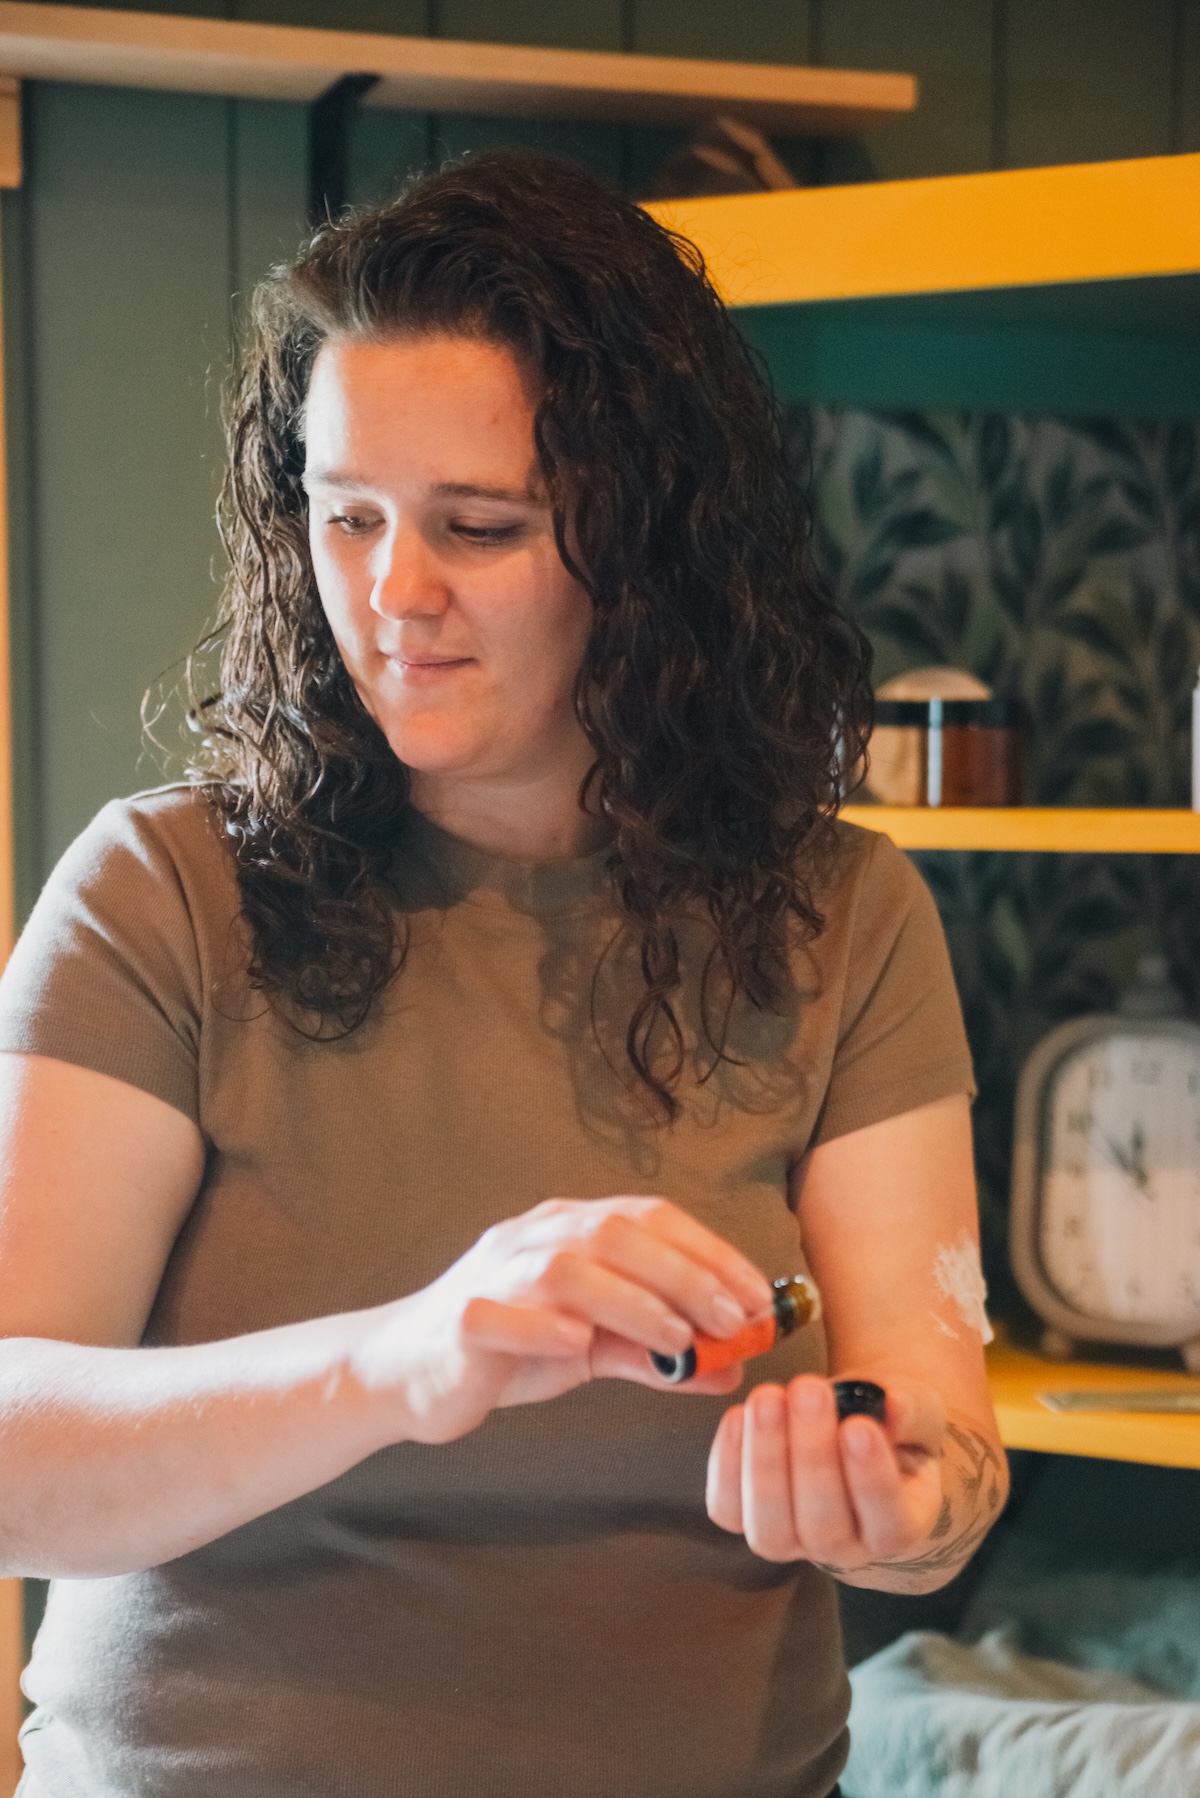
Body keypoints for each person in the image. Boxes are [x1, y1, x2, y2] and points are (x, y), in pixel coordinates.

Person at [0, 151, 1006, 1798]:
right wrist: (406, 1357)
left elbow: (945, 1447)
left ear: (652, 545)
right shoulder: (161, 893)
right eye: (346, 518)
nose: (393, 595)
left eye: (480, 526)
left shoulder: (845, 913)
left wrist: (890, 1504)